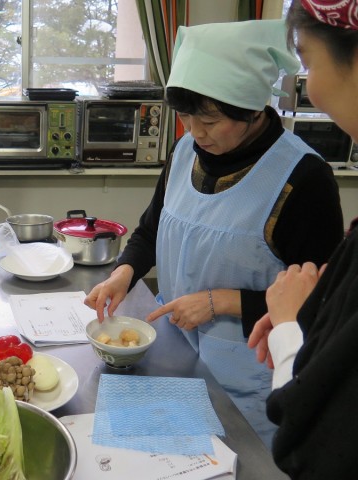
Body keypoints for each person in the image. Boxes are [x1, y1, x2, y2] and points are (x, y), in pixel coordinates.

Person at [84, 18, 344, 448]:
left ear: (253, 108)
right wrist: (124, 272)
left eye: (210, 118)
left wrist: (221, 302)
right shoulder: (187, 150)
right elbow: (153, 226)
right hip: (176, 358)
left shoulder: (303, 179)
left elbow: (323, 303)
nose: (195, 131)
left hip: (252, 385)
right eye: (185, 115)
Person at [247, 1, 358, 477]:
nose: (309, 83)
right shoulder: (185, 153)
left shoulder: (305, 175)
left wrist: (292, 322)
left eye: (309, 62)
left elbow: (315, 440)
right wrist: (321, 311)